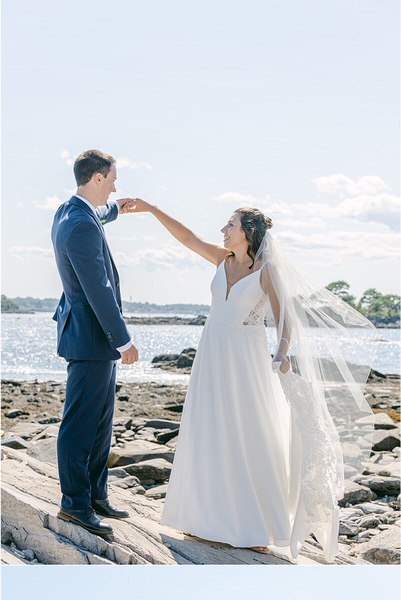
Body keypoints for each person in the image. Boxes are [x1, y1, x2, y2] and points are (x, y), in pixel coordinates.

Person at [126, 199, 374, 562]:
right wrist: (150, 209)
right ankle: (201, 518)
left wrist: (283, 351)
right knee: (208, 429)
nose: (223, 230)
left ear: (249, 233)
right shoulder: (221, 259)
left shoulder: (266, 270)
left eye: (230, 224)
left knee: (247, 432)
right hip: (211, 353)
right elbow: (186, 237)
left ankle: (255, 526)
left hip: (246, 358)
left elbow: (285, 315)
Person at [51, 149, 139, 541]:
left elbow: (98, 214)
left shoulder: (71, 212)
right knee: (80, 424)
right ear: (99, 177)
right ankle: (74, 504)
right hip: (92, 338)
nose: (116, 185)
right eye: (113, 179)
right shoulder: (81, 225)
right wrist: (124, 341)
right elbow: (98, 288)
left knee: (102, 422)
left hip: (88, 337)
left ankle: (96, 495)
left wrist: (118, 208)